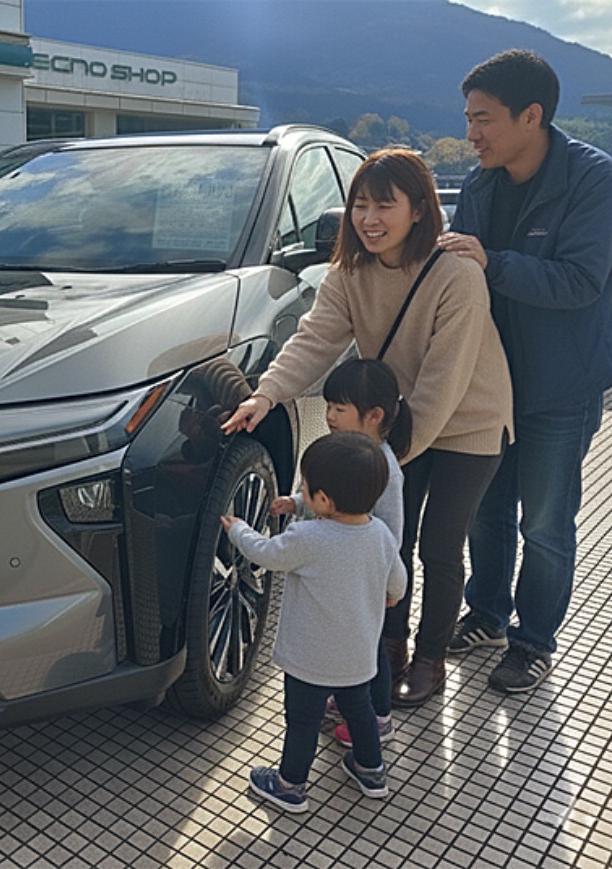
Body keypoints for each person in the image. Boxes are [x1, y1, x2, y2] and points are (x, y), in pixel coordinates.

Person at [222, 148, 513, 708]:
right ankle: (389, 650)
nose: (369, 219)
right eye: (360, 205)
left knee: (440, 546)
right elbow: (314, 339)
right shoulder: (348, 273)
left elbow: (444, 380)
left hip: (469, 422)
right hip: (397, 422)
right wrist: (266, 394)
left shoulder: (457, 274)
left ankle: (430, 659)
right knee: (390, 539)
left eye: (385, 205)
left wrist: (380, 456)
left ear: (419, 210)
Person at [440, 50, 612, 693]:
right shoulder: (479, 185)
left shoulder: (594, 179)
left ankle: (533, 640)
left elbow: (579, 281)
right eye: (468, 119)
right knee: (485, 509)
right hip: (491, 382)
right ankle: (487, 615)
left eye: (483, 119)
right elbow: (457, 277)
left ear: (531, 116)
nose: (471, 134)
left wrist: (491, 262)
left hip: (561, 383)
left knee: (545, 522)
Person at [223, 431, 406, 813]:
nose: (302, 492)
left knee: (303, 721)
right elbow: (399, 582)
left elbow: (265, 553)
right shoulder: (381, 535)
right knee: (360, 712)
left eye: (304, 487)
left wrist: (238, 529)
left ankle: (290, 785)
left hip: (310, 659)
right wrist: (390, 595)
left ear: (323, 499)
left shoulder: (307, 536)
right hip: (357, 657)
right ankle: (371, 771)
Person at [272, 359, 411, 747]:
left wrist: (387, 581)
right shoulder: (350, 453)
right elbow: (332, 497)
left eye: (339, 408)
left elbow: (392, 535)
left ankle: (378, 717)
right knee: (353, 645)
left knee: (370, 649)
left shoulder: (384, 469)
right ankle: (354, 702)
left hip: (365, 578)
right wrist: (297, 502)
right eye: (328, 406)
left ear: (374, 416)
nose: (329, 416)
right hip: (344, 572)